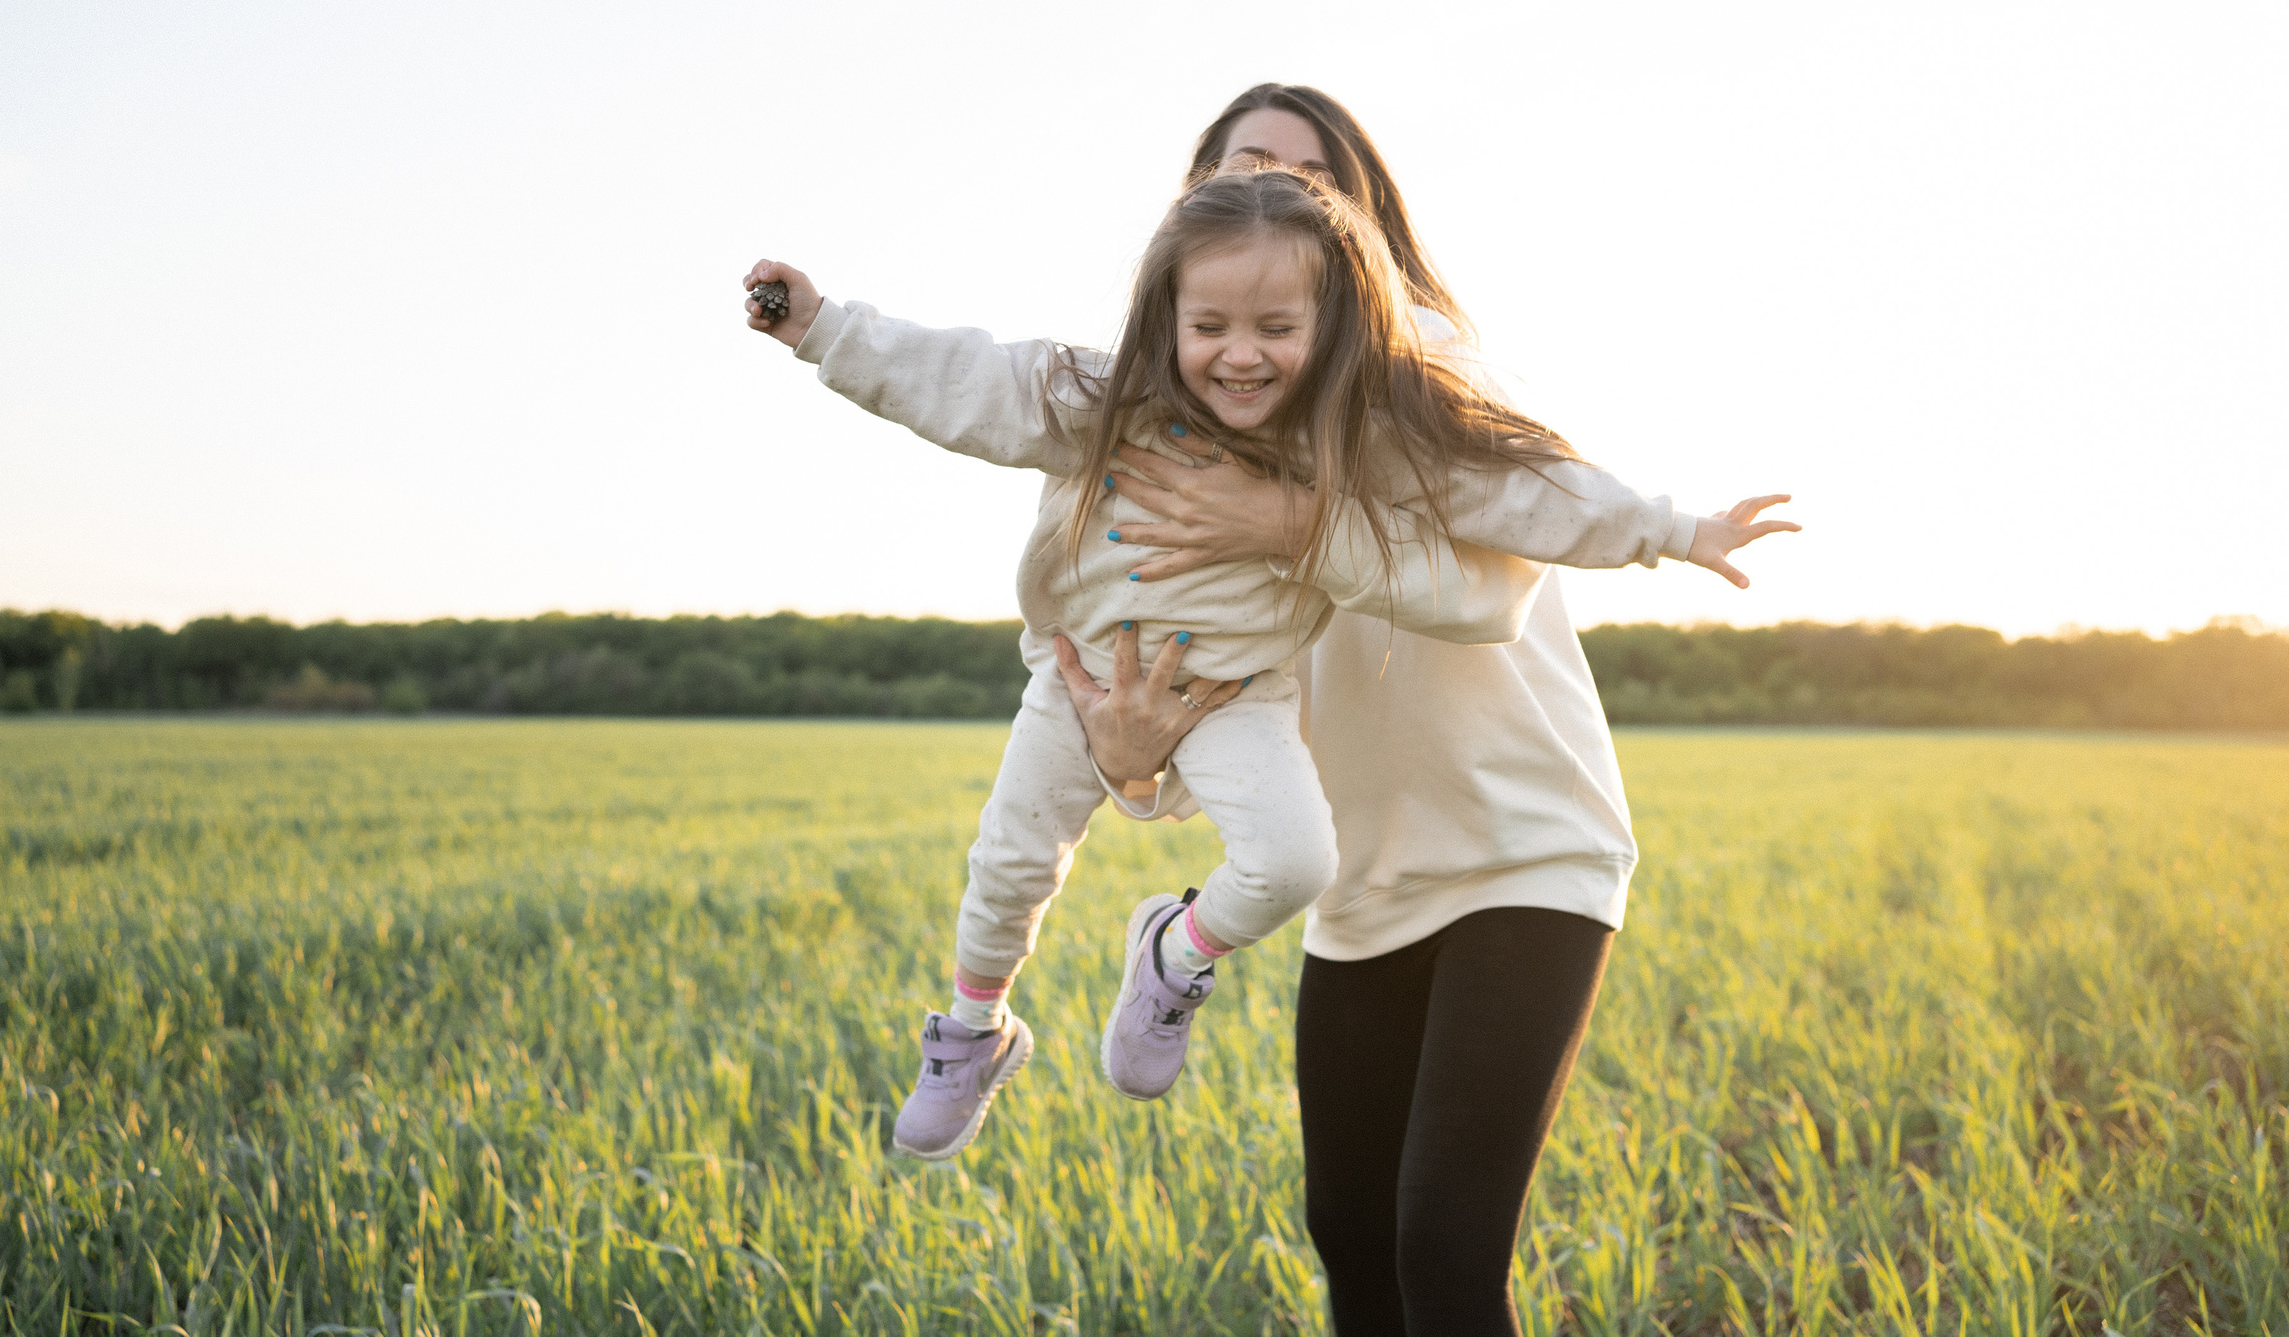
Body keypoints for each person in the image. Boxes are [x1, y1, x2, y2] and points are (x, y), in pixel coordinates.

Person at [741, 163, 1759, 1170]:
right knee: (1011, 858)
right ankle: (973, 1028)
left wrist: (1672, 529)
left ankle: (1173, 953)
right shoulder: (1098, 401)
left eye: (1277, 329)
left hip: (1238, 698)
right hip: (1080, 676)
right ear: (1167, 313)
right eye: (1211, 326)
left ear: (1337, 318)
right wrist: (823, 328)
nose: (1240, 357)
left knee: (1295, 863)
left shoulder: (1361, 439)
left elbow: (1519, 491)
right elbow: (957, 379)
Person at [1046, 84, 1797, 1337]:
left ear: (1362, 227)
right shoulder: (1185, 428)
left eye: (1312, 178)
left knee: (1443, 1249)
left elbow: (1490, 596)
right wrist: (1138, 769)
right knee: (1350, 1237)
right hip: (1364, 885)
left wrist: (1288, 523)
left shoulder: (1426, 373)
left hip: (1522, 850)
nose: (1281, 194)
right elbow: (1218, 680)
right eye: (1248, 170)